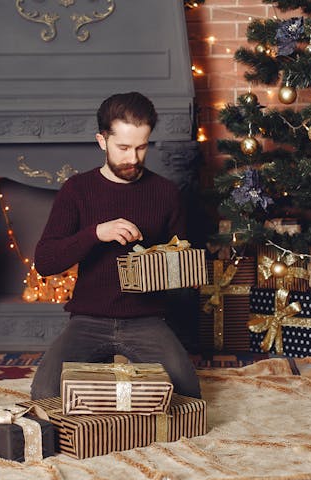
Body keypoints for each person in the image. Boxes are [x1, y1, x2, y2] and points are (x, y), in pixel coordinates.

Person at [30, 91, 201, 400]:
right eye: (123, 147)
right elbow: (45, 261)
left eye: (141, 147)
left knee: (188, 395)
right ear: (102, 141)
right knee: (44, 393)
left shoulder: (166, 193)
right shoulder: (77, 190)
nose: (133, 158)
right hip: (88, 319)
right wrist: (96, 233)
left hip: (147, 320)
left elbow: (180, 275)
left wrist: (167, 262)